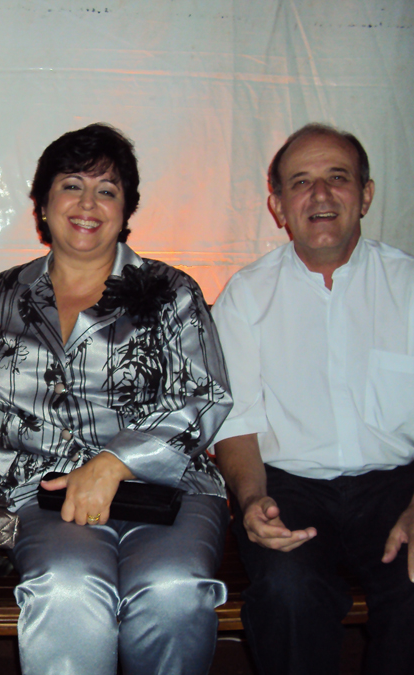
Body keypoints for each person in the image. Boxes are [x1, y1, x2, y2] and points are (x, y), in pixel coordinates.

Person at [0, 123, 233, 675]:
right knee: (67, 587)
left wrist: (114, 463)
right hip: (43, 491)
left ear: (126, 207)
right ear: (43, 203)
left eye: (107, 189)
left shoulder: (172, 290)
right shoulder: (1, 295)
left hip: (168, 489)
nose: (88, 203)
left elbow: (205, 395)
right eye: (72, 185)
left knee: (172, 589)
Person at [212, 123, 414, 675]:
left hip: (400, 486)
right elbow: (236, 422)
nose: (320, 196)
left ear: (366, 194)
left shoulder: (409, 285)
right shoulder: (245, 297)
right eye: (301, 182)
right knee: (289, 592)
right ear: (278, 206)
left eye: (338, 178)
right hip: (289, 487)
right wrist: (252, 502)